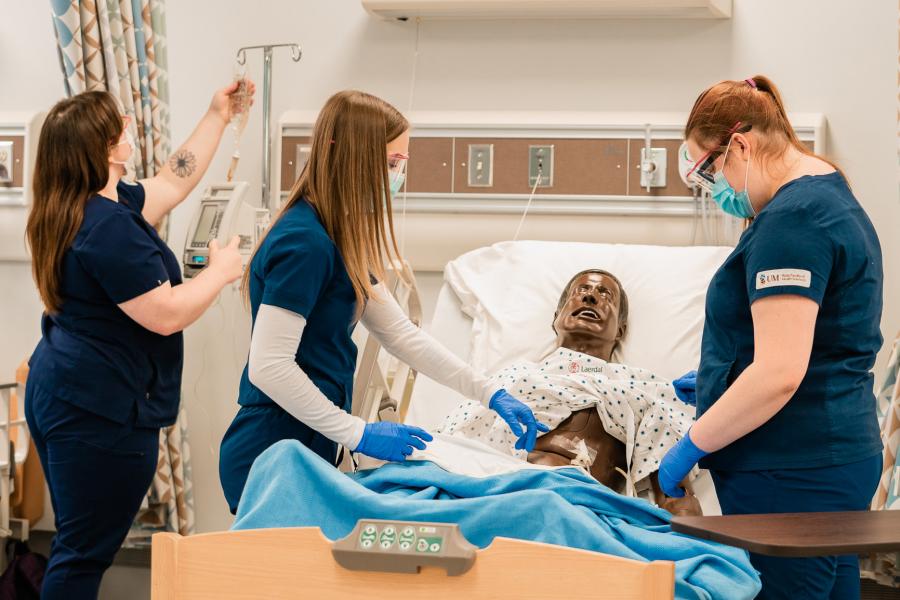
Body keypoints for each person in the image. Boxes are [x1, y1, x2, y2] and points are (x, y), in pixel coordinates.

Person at [218, 90, 546, 514]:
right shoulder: (304, 243)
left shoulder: (338, 238)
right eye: (392, 163)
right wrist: (358, 432)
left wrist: (490, 392)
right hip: (272, 453)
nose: (397, 176)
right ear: (353, 157)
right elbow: (270, 366)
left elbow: (401, 335)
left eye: (402, 164)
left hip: (309, 447)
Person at [24, 81, 254, 599]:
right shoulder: (107, 229)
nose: (129, 125)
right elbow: (167, 315)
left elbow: (173, 179)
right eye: (119, 124)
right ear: (104, 147)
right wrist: (219, 273)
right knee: (83, 553)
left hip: (61, 390)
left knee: (76, 542)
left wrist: (217, 114)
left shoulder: (86, 204)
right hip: (96, 411)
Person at [658, 75, 884, 599]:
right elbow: (822, 338)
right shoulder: (826, 192)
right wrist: (724, 374)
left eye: (708, 172)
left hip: (791, 468)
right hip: (827, 457)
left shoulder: (792, 222)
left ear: (739, 144)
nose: (714, 193)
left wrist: (690, 446)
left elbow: (780, 372)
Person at [440, 269, 701, 516]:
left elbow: (675, 495)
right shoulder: (508, 379)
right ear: (556, 318)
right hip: (495, 494)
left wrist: (694, 549)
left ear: (620, 331)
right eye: (582, 290)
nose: (590, 296)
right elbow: (447, 447)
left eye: (605, 295)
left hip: (578, 509)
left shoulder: (642, 390)